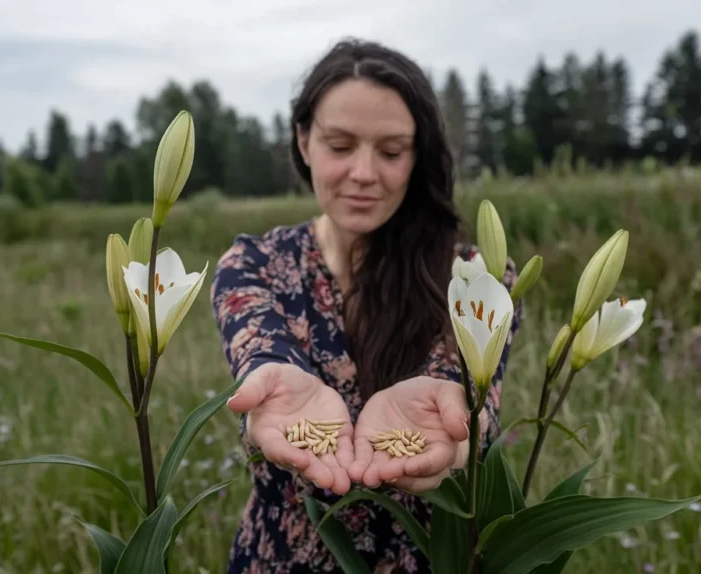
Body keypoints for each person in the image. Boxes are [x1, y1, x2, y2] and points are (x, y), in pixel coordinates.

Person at [209, 38, 522, 574]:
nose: (363, 173)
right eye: (340, 145)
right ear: (303, 141)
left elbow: (469, 383)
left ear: (418, 155)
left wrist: (460, 412)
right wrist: (272, 374)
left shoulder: (475, 276)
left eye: (392, 152)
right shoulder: (253, 265)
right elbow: (260, 344)